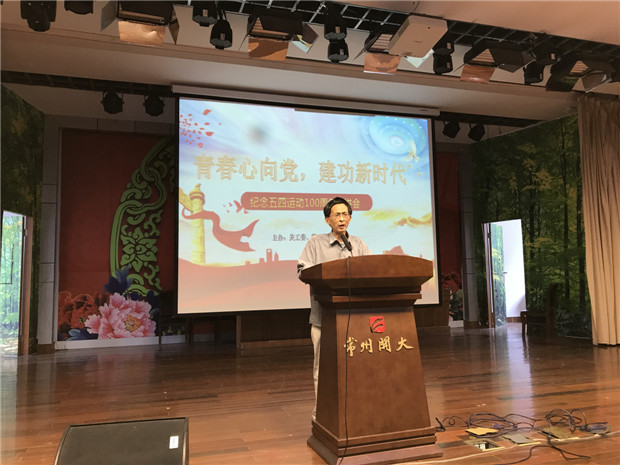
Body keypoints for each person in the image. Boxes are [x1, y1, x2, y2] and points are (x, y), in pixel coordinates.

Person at [297, 197, 371, 420]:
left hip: (354, 319)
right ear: (327, 219)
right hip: (324, 318)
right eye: (337, 215)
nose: (342, 219)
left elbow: (371, 271)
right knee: (323, 368)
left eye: (345, 214)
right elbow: (303, 271)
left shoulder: (357, 244)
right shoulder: (316, 243)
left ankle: (354, 409)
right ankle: (323, 412)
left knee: (356, 366)